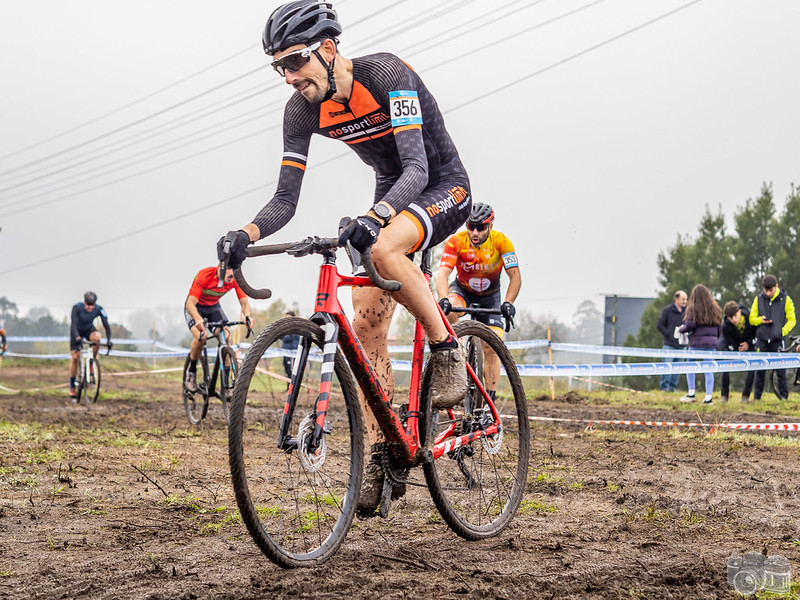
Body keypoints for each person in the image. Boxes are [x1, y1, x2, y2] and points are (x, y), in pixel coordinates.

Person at [216, 1, 472, 517]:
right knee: (368, 321)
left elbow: (418, 168)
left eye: (295, 61)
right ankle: (386, 445)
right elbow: (285, 199)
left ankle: (448, 352)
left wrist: (376, 217)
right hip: (392, 193)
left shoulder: (386, 74)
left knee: (380, 245)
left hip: (443, 186)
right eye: (279, 67)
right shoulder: (301, 110)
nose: (288, 77)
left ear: (329, 49)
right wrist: (245, 233)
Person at [435, 202, 521, 399]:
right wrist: (444, 298)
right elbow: (443, 274)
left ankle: (489, 397)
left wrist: (508, 302)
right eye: (470, 226)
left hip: (490, 297)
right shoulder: (456, 241)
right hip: (462, 291)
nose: (475, 232)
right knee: (448, 312)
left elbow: (515, 276)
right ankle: (455, 353)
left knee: (492, 345)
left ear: (490, 226)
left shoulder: (502, 242)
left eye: (480, 227)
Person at [184, 265, 252, 392]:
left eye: (234, 270)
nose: (232, 274)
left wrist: (247, 316)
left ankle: (226, 384)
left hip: (213, 308)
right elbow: (190, 303)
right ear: (220, 267)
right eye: (229, 270)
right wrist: (198, 319)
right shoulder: (205, 275)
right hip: (195, 308)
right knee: (202, 336)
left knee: (225, 335)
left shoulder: (235, 278)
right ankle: (191, 372)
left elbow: (244, 303)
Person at [749, 274, 796, 400]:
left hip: (777, 340)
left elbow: (792, 320)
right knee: (759, 369)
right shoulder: (758, 299)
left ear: (776, 286)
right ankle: (757, 398)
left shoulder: (786, 299)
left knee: (780, 370)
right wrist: (760, 320)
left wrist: (782, 332)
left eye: (771, 290)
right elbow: (751, 319)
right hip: (762, 340)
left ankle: (784, 397)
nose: (768, 293)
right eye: (766, 290)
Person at [679, 284, 722, 404]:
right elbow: (720, 327)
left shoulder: (693, 309)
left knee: (690, 366)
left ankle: (691, 393)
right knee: (709, 369)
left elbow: (690, 326)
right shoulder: (715, 308)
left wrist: (680, 330)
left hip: (696, 343)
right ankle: (709, 397)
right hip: (711, 344)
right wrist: (714, 339)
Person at [69, 291, 112, 401]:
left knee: (97, 337)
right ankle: (72, 386)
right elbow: (73, 324)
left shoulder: (99, 309)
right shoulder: (77, 308)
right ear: (84, 302)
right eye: (88, 304)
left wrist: (109, 340)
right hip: (76, 331)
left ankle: (92, 361)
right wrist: (77, 338)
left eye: (92, 305)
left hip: (88, 329)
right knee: (75, 357)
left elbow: (106, 325)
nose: (90, 307)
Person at [718, 300, 756, 403]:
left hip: (749, 343)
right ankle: (724, 395)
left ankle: (746, 395)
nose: (734, 320)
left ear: (739, 312)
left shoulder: (751, 317)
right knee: (725, 365)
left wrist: (749, 344)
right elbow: (727, 340)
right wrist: (736, 349)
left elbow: (756, 334)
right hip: (733, 346)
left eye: (735, 316)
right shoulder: (725, 326)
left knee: (753, 366)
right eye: (730, 318)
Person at [656, 290, 688, 392]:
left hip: (682, 345)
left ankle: (672, 388)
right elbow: (659, 325)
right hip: (669, 345)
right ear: (676, 299)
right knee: (667, 368)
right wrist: (669, 334)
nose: (685, 301)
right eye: (683, 299)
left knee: (678, 369)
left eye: (686, 299)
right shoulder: (667, 310)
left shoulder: (687, 311)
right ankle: (664, 388)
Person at [281, 311, 300, 387]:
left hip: (292, 353)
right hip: (285, 352)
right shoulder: (285, 328)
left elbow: (287, 338)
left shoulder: (296, 328)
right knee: (287, 370)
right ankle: (288, 387)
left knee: (292, 370)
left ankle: (292, 387)